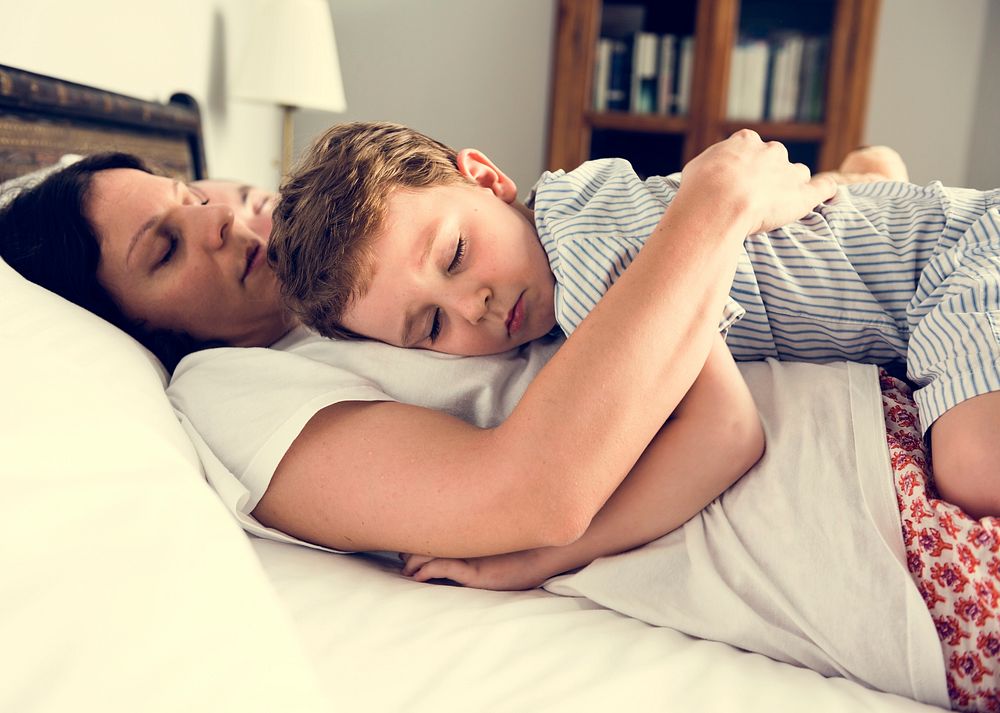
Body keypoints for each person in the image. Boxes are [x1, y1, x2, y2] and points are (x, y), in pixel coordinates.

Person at [1, 137, 986, 709]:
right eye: (163, 246)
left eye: (191, 194)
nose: (215, 218)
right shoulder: (228, 390)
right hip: (891, 528)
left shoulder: (373, 271)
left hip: (903, 393)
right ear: (139, 329)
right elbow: (530, 491)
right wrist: (714, 204)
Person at [269, 121, 1000, 523]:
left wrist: (546, 555)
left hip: (960, 253)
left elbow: (726, 435)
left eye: (456, 254)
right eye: (429, 327)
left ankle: (860, 181)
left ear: (489, 179)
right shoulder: (567, 201)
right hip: (915, 256)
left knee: (972, 464)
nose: (473, 306)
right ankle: (858, 179)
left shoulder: (590, 264)